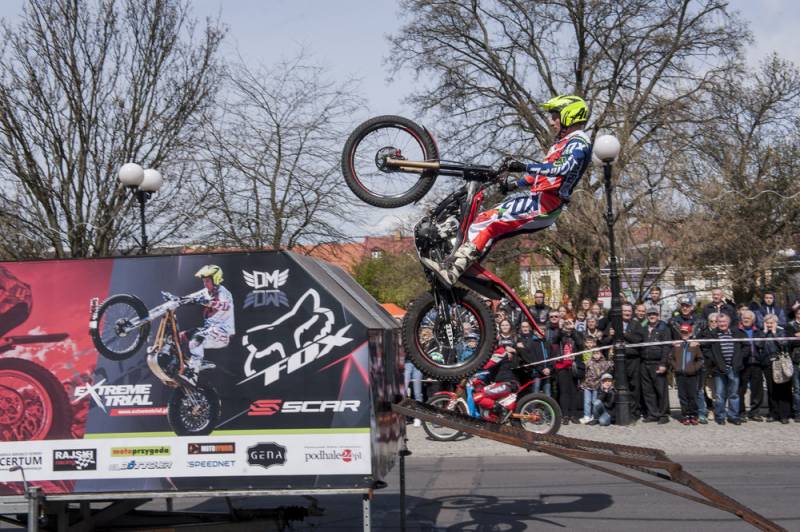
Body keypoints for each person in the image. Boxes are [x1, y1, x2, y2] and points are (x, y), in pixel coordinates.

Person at [421, 95, 592, 286]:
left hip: (545, 204)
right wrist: (513, 185)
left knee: (488, 221)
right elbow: (539, 176)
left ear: (569, 115)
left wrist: (524, 166)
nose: (551, 122)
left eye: (554, 116)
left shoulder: (579, 142)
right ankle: (464, 262)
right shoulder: (564, 143)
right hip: (540, 200)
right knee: (487, 222)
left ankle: (454, 269)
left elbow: (561, 168)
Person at [181, 264, 235, 385]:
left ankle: (192, 375)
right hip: (210, 331)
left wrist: (210, 303)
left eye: (207, 281)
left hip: (223, 334)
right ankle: (186, 364)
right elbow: (189, 298)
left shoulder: (223, 292)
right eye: (204, 281)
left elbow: (225, 305)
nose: (205, 284)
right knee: (182, 336)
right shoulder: (206, 292)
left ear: (216, 279)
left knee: (196, 339)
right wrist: (175, 299)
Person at [601, 302, 645, 419]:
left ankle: (634, 412)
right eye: (624, 311)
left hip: (633, 360)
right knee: (619, 386)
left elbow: (639, 340)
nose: (627, 313)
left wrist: (623, 334)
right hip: (618, 360)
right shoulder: (613, 324)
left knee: (634, 386)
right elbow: (603, 342)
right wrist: (610, 336)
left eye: (629, 311)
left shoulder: (636, 324)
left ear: (632, 312)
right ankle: (620, 411)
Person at [472, 330, 521, 422]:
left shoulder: (500, 352)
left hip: (508, 384)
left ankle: (502, 410)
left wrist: (471, 368)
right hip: (502, 383)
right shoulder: (493, 353)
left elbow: (486, 365)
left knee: (478, 397)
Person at [707, 314, 744, 425]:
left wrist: (739, 359)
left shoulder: (737, 333)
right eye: (719, 322)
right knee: (719, 394)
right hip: (719, 368)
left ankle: (733, 416)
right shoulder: (712, 334)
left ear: (728, 322)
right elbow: (706, 350)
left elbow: (746, 346)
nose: (722, 324)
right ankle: (720, 416)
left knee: (734, 394)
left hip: (734, 368)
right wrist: (715, 362)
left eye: (724, 322)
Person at [640, 306, 672, 423]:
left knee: (661, 390)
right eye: (649, 314)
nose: (652, 316)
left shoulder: (664, 328)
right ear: (647, 316)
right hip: (645, 363)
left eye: (654, 314)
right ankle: (653, 413)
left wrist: (663, 363)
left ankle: (663, 415)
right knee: (648, 391)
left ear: (658, 315)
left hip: (658, 363)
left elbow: (666, 347)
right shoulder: (643, 328)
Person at [668, 323, 704, 425]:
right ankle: (685, 415)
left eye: (686, 332)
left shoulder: (694, 345)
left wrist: (694, 368)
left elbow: (700, 359)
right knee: (682, 396)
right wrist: (676, 367)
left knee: (692, 396)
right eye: (682, 332)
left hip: (692, 375)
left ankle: (694, 415)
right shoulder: (677, 345)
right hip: (680, 375)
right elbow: (670, 358)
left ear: (690, 333)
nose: (684, 334)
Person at [737, 309, 767, 422]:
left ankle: (754, 412)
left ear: (753, 320)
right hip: (743, 364)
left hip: (757, 363)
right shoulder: (737, 331)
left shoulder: (758, 331)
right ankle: (741, 412)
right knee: (741, 389)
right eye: (744, 318)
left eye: (748, 318)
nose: (746, 320)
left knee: (757, 390)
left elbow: (762, 344)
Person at [554, 319, 585, 424]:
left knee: (573, 391)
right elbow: (554, 340)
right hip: (562, 366)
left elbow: (581, 345)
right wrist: (560, 328)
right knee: (564, 392)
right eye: (567, 324)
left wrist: (573, 330)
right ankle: (565, 415)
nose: (568, 325)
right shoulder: (560, 335)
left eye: (570, 323)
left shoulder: (577, 334)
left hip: (574, 366)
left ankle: (573, 415)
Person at [762, 314, 792, 423]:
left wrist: (774, 333)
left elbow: (784, 343)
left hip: (780, 363)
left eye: (771, 323)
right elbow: (758, 344)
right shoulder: (763, 333)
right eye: (767, 323)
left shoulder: (782, 331)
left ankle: (784, 415)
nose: (769, 325)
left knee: (783, 389)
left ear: (776, 323)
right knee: (771, 389)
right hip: (767, 363)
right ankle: (773, 413)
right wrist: (764, 333)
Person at [518, 321, 552, 396]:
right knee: (535, 391)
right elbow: (533, 359)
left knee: (547, 392)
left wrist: (549, 368)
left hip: (547, 372)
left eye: (543, 331)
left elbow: (551, 357)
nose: (541, 332)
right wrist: (541, 369)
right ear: (535, 332)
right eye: (539, 331)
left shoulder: (547, 343)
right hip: (537, 372)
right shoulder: (532, 343)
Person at [580, 347, 613, 424]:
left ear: (601, 354)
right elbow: (585, 372)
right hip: (587, 385)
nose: (596, 355)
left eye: (598, 353)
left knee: (594, 402)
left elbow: (611, 364)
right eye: (594, 353)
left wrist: (611, 354)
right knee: (587, 402)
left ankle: (594, 416)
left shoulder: (604, 363)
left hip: (596, 386)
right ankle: (587, 416)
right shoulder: (589, 362)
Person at [785, 308, 800, 421]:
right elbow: (790, 342)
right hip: (795, 360)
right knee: (797, 389)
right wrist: (796, 337)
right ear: (795, 314)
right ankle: (797, 413)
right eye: (799, 313)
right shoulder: (790, 325)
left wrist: (798, 335)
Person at [404, 360, 424, 426]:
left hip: (418, 363)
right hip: (407, 362)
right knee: (403, 391)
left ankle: (418, 417)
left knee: (417, 393)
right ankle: (403, 416)